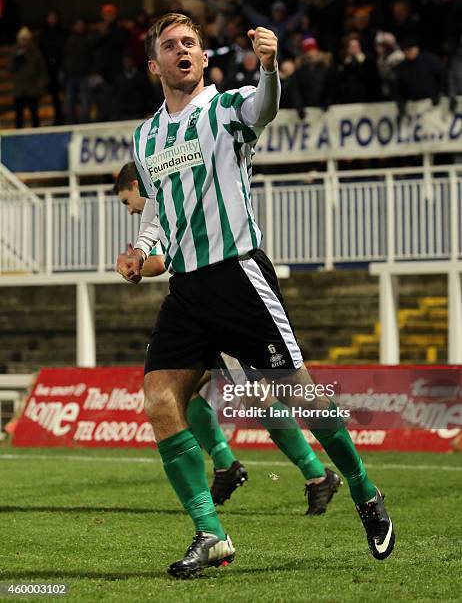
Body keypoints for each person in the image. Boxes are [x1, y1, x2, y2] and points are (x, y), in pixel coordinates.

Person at [117, 13, 395, 578]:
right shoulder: (146, 138)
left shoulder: (226, 109)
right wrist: (139, 252)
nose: (183, 51)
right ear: (155, 64)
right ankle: (211, 533)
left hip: (239, 278)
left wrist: (268, 67)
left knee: (303, 400)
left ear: (203, 56)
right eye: (170, 46)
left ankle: (365, 490)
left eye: (191, 43)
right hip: (187, 289)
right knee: (160, 399)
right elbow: (162, 216)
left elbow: (263, 107)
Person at [114, 161, 343, 510]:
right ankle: (228, 464)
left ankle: (317, 474)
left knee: (260, 395)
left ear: (137, 183)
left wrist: (136, 264)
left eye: (127, 200)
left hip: (224, 300)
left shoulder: (172, 197)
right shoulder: (168, 208)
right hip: (200, 307)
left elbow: (161, 263)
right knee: (180, 391)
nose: (130, 210)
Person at [8, 27, 48, 128]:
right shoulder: (14, 52)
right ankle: (18, 136)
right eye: (22, 39)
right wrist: (17, 58)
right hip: (19, 89)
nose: (24, 41)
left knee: (34, 114)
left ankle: (36, 134)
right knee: (18, 116)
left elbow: (42, 70)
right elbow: (10, 69)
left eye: (26, 39)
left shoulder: (35, 52)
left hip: (32, 89)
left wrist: (40, 85)